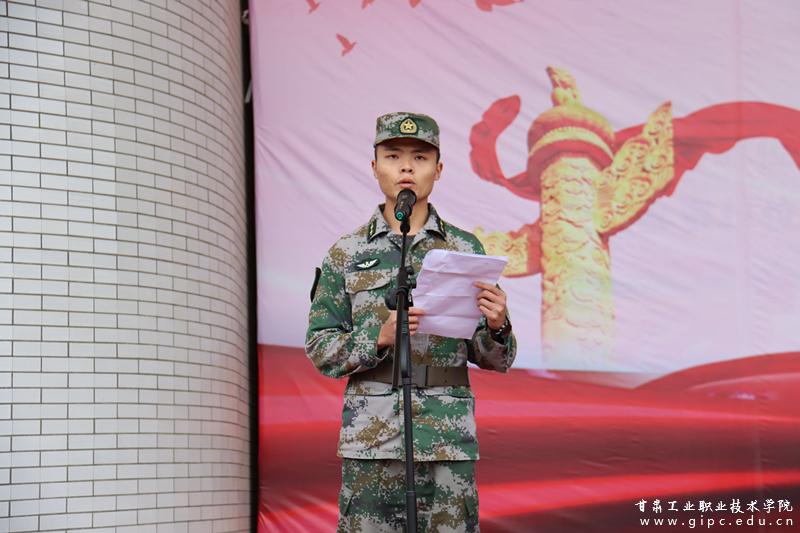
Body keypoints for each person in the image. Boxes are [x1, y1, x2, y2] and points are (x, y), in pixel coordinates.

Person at [306, 112, 517, 532]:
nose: (406, 167)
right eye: (393, 156)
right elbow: (320, 347)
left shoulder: (464, 248)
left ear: (438, 170)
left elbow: (495, 358)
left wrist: (498, 326)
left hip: (445, 440)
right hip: (372, 441)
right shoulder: (346, 253)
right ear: (375, 167)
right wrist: (377, 337)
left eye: (420, 158)